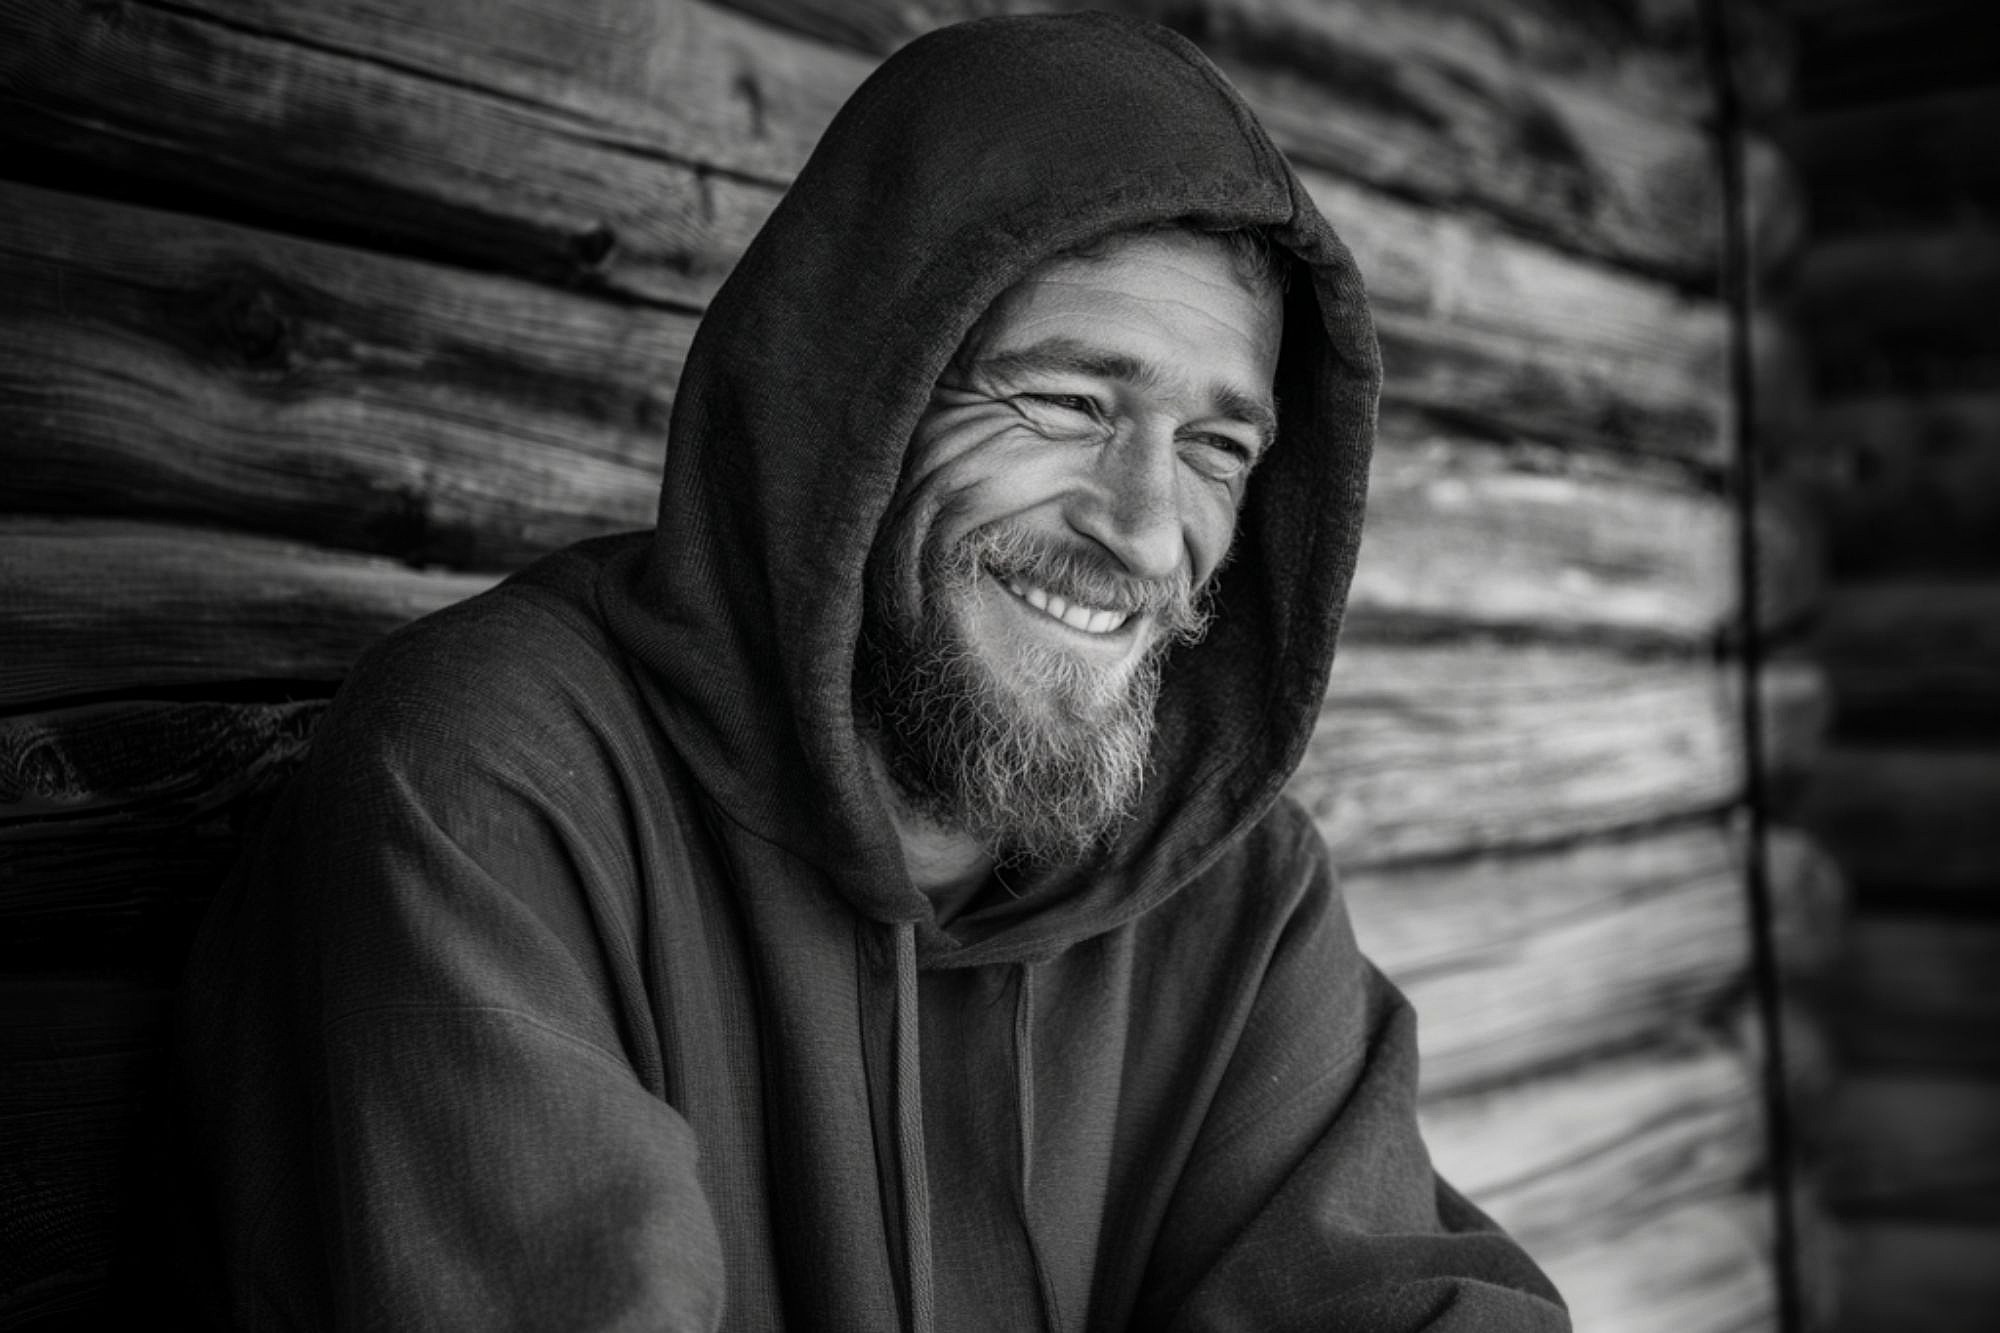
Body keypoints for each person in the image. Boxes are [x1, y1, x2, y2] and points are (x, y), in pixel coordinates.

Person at [178, 12, 1568, 1330]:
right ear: (858, 397)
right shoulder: (495, 780)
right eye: (1069, 401)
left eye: (1218, 447)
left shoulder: (1237, 891)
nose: (1146, 529)